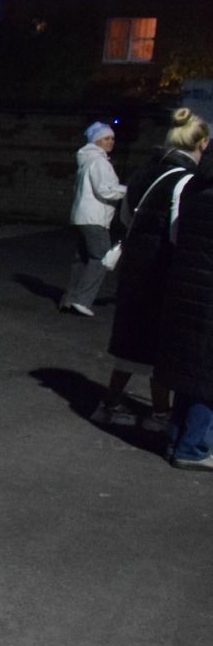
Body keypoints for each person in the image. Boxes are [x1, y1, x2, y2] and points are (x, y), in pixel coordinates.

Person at [94, 109, 209, 431]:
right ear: (200, 144)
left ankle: (111, 403)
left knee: (133, 339)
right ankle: (159, 414)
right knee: (159, 345)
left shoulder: (148, 170)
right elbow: (177, 232)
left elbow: (128, 218)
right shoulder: (185, 180)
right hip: (161, 268)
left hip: (135, 264)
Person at [157, 155, 213, 470]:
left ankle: (175, 439)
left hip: (186, 291)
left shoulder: (193, 189)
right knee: (207, 377)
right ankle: (194, 448)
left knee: (189, 371)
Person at [58, 121, 126, 317]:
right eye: (106, 138)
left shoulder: (86, 160)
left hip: (81, 216)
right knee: (101, 258)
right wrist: (128, 191)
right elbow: (105, 189)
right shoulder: (99, 162)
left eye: (112, 138)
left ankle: (69, 299)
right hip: (95, 217)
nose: (110, 142)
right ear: (96, 140)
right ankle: (82, 300)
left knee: (82, 260)